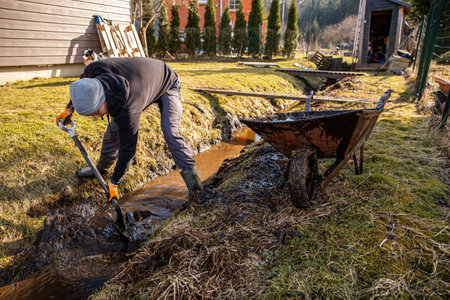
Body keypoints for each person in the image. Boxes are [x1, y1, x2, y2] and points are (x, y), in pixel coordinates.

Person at [56, 57, 202, 202]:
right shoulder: (94, 70)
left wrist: (115, 182)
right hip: (142, 81)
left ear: (103, 97)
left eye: (95, 112)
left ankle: (196, 187)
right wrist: (69, 109)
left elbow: (128, 150)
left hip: (167, 81)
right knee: (112, 132)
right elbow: (82, 88)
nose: (95, 117)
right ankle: (101, 169)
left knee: (170, 131)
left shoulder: (129, 108)